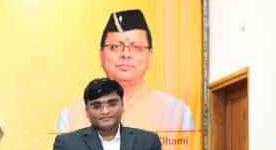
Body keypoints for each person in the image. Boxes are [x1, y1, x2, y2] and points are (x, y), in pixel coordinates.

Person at [56, 9, 195, 133]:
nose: (126, 54)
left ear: (150, 56)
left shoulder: (177, 113)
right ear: (101, 55)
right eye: (115, 47)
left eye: (136, 47)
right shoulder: (72, 117)